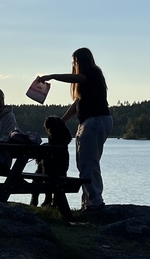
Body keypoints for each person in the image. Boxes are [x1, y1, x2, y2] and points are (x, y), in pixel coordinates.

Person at [39, 48, 112, 212]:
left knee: (89, 162)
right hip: (92, 122)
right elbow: (78, 103)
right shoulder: (88, 81)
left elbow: (76, 77)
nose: (74, 65)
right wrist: (63, 121)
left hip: (95, 121)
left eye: (75, 61)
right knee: (85, 162)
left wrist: (52, 76)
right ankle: (88, 201)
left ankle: (95, 201)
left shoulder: (92, 72)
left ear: (81, 61)